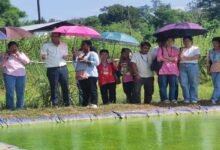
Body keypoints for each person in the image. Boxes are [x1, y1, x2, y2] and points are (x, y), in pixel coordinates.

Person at [40, 32, 70, 107]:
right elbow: (43, 56)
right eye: (53, 36)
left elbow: (66, 56)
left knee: (65, 85)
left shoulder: (64, 45)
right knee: (54, 86)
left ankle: (66, 103)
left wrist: (66, 56)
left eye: (56, 36)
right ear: (51, 37)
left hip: (63, 67)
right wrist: (44, 57)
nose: (54, 38)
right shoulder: (46, 45)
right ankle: (55, 103)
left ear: (59, 37)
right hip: (52, 68)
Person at [1, 41, 30, 110]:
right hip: (9, 75)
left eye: (15, 47)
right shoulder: (4, 55)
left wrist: (18, 55)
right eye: (12, 47)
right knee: (10, 92)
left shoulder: (21, 54)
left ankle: (20, 107)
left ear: (17, 48)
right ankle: (10, 107)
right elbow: (1, 65)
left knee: (20, 92)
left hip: (21, 75)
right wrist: (6, 57)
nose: (13, 49)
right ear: (8, 48)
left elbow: (27, 62)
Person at [77, 40, 100, 108]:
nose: (82, 46)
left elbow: (97, 63)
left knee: (92, 89)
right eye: (82, 44)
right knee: (85, 90)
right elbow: (77, 63)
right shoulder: (82, 54)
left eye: (83, 44)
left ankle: (94, 103)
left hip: (92, 74)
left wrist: (87, 61)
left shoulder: (93, 53)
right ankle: (85, 103)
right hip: (84, 75)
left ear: (88, 45)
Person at [157, 38, 179, 104]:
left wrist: (166, 58)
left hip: (173, 70)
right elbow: (159, 58)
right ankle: (164, 99)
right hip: (163, 70)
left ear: (173, 42)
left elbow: (176, 59)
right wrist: (171, 59)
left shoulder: (175, 49)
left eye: (171, 41)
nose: (169, 42)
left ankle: (172, 98)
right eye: (168, 40)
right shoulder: (161, 49)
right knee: (163, 86)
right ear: (166, 41)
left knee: (173, 86)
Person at [179, 36, 200, 104]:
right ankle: (186, 98)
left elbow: (197, 57)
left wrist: (187, 58)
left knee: (193, 82)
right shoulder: (181, 49)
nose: (186, 42)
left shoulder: (195, 48)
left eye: (188, 40)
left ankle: (193, 98)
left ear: (191, 41)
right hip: (182, 66)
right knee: (183, 83)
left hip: (193, 66)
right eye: (184, 41)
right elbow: (181, 58)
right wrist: (183, 51)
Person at [207, 37, 220, 104]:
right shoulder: (210, 51)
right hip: (213, 69)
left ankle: (214, 98)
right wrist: (208, 69)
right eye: (213, 43)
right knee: (216, 85)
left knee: (218, 85)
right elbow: (208, 62)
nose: (214, 44)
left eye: (216, 43)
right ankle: (218, 99)